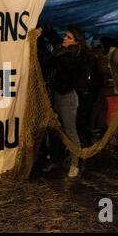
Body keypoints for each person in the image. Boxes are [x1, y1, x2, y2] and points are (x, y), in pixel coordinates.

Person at [41, 26, 87, 178]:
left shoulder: (74, 58)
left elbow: (54, 64)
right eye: (65, 36)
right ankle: (56, 159)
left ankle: (75, 164)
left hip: (66, 98)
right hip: (55, 96)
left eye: (68, 37)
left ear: (76, 42)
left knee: (69, 131)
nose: (64, 39)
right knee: (54, 130)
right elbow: (53, 36)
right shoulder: (62, 50)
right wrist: (42, 30)